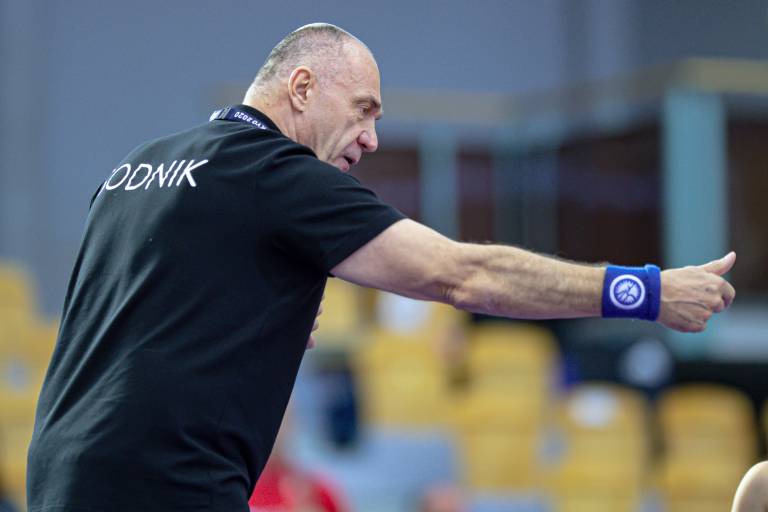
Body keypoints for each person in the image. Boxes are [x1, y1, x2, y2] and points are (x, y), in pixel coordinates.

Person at [27, 23, 736, 512]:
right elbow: (463, 276)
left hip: (59, 478)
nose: (370, 139)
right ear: (302, 87)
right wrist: (645, 291)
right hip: (170, 485)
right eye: (363, 110)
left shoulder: (136, 168)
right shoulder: (276, 174)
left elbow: (141, 312)